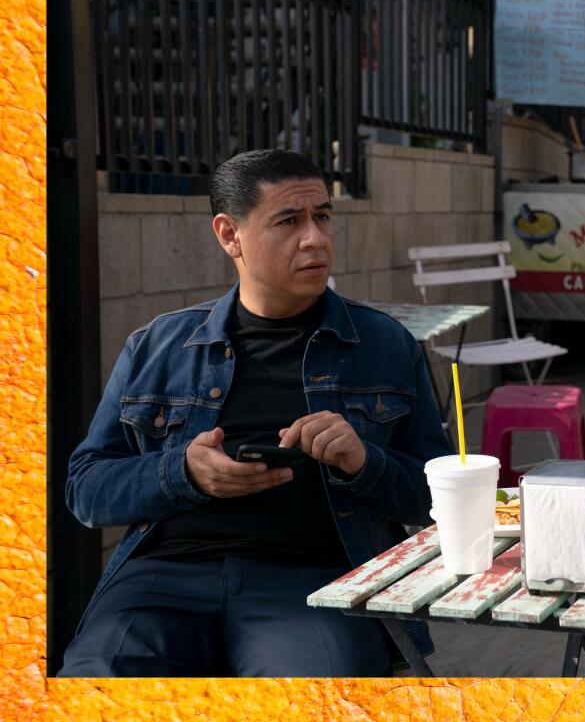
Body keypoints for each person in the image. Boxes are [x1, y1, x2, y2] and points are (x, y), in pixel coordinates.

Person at [59, 150, 449, 677]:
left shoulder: (383, 345)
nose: (315, 238)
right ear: (229, 235)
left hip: (313, 581)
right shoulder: (159, 346)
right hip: (163, 580)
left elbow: (440, 498)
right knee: (98, 682)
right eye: (289, 221)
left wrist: (364, 463)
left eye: (323, 217)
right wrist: (183, 472)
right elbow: (85, 490)